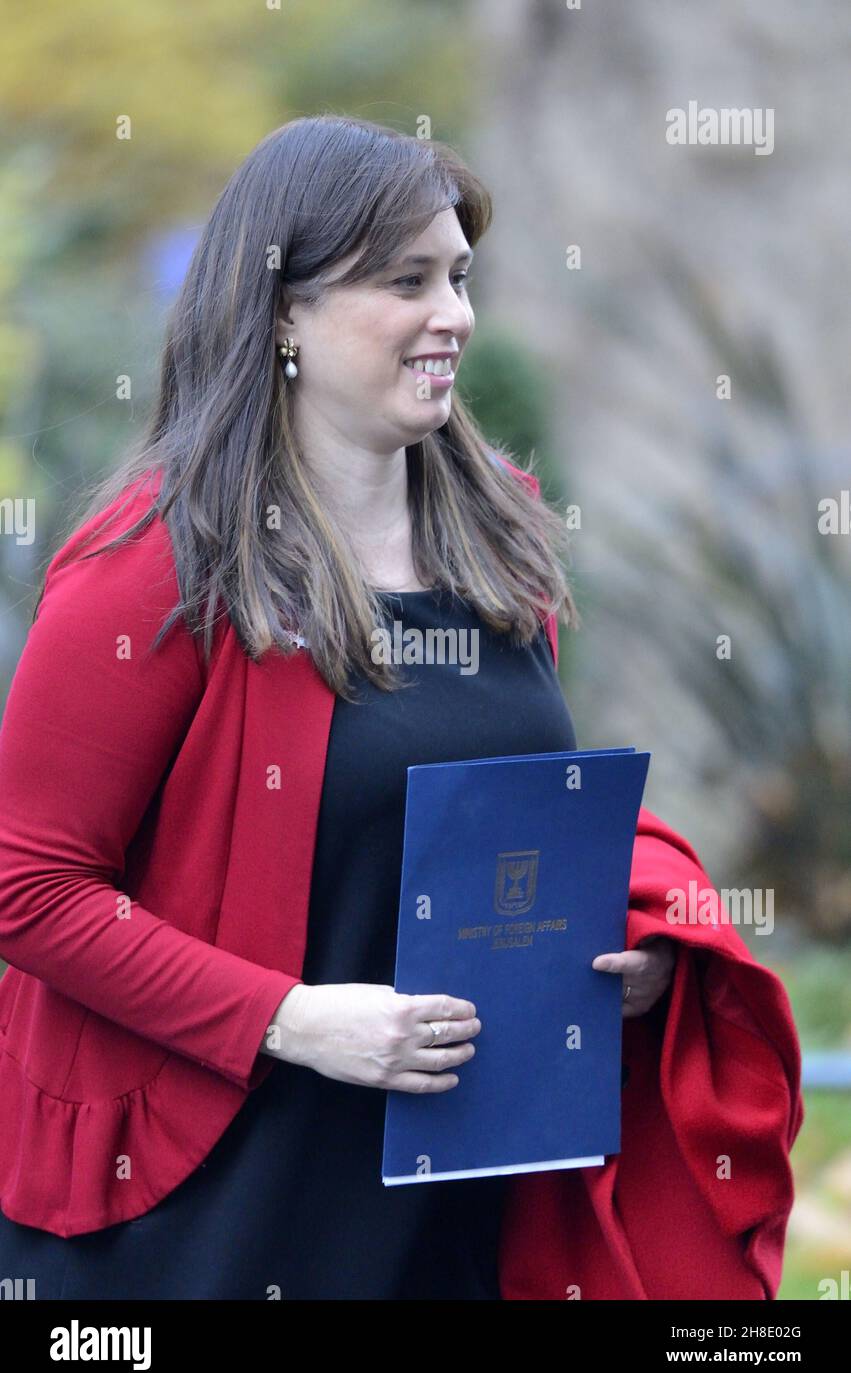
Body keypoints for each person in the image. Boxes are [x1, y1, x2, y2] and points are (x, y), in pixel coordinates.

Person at [0, 115, 801, 1300]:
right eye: (405, 281)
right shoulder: (156, 563)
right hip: (207, 1208)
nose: (454, 317)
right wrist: (289, 1017)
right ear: (282, 311)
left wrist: (629, 940)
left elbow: (505, 811)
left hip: (455, 1188)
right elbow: (27, 885)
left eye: (459, 279)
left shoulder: (499, 534)